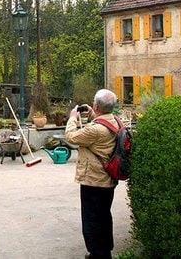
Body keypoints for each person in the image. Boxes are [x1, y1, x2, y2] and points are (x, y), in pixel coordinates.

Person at [64, 89, 120, 259]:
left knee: (91, 220)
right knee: (103, 216)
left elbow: (71, 137)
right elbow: (100, 126)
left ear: (96, 105)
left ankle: (98, 254)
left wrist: (73, 117)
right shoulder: (116, 122)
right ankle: (105, 251)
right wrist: (93, 114)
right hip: (108, 180)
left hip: (94, 180)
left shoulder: (95, 130)